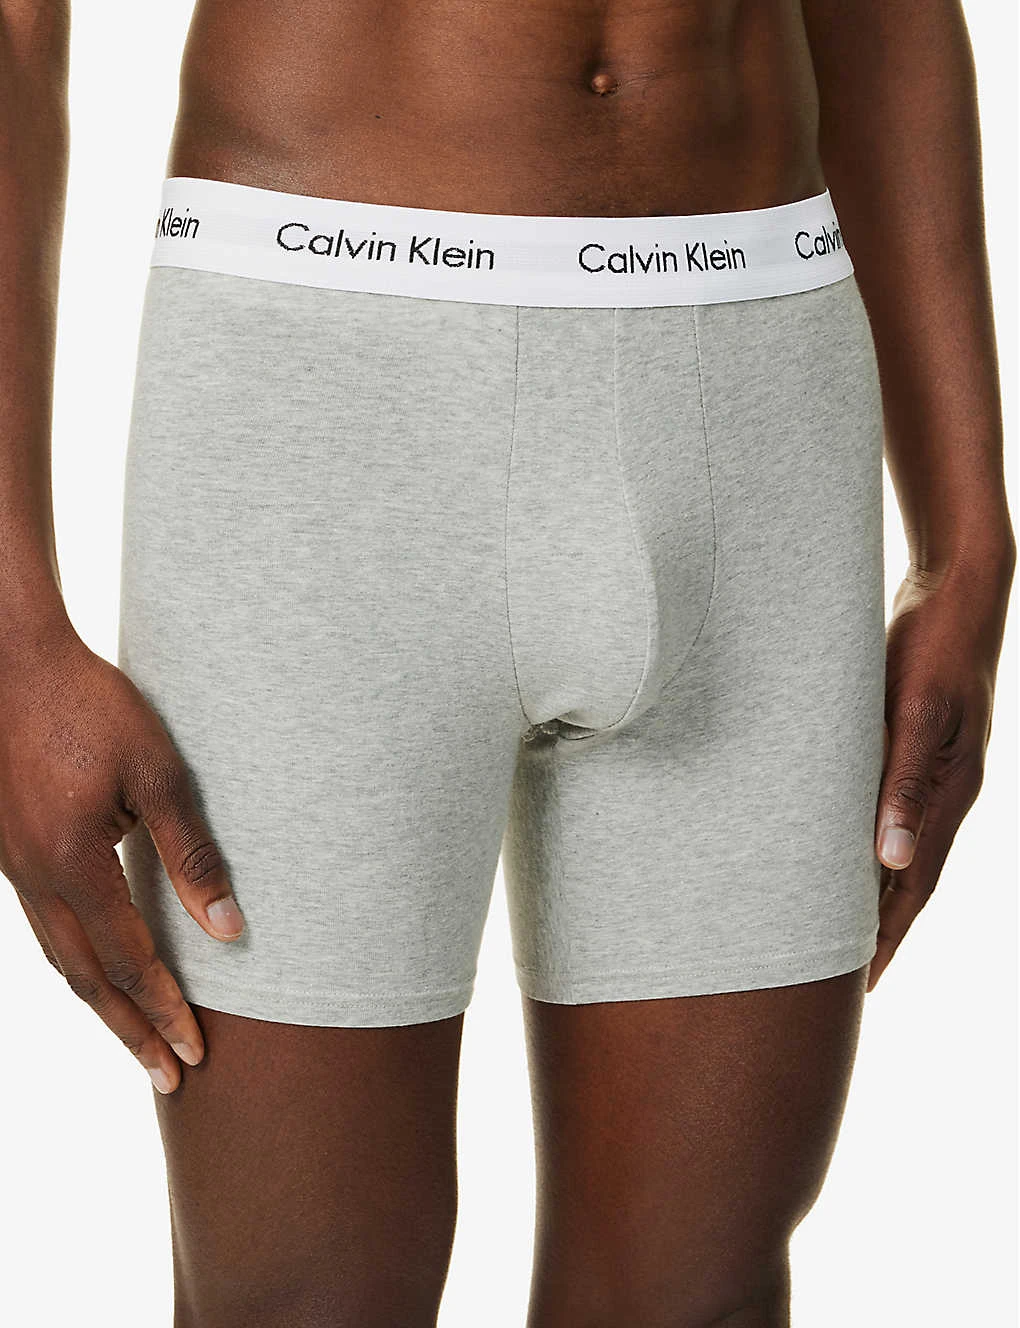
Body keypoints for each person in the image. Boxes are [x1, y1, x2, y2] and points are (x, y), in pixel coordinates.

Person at [0, 1, 1013, 1324]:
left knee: (697, 1298)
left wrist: (968, 541)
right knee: (296, 1301)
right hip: (324, 384)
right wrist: (13, 632)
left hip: (761, 384)